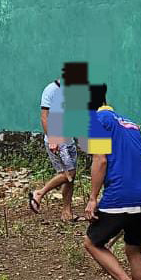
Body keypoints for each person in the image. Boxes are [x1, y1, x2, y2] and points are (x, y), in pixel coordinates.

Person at [82, 95, 141, 280]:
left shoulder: (96, 122)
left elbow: (101, 161)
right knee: (133, 249)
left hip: (121, 194)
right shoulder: (131, 124)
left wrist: (93, 197)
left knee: (92, 243)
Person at [30, 77, 80, 221]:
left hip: (69, 139)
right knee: (69, 173)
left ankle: (67, 212)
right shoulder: (51, 90)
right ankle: (39, 193)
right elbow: (44, 117)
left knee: (70, 178)